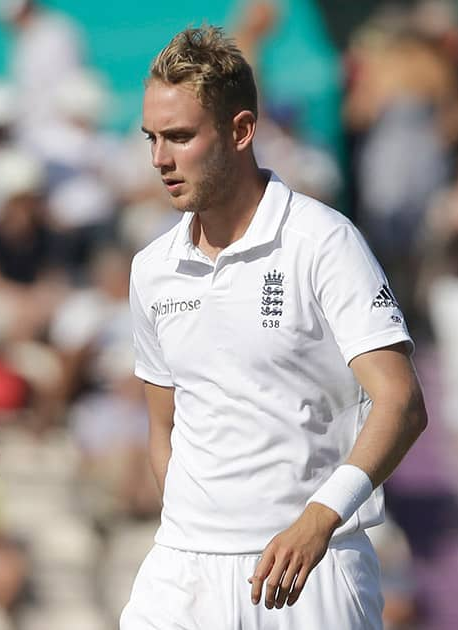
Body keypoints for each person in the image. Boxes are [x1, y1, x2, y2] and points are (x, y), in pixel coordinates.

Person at [122, 26, 427, 630]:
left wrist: (320, 518)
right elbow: (165, 425)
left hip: (309, 566)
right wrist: (195, 527)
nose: (160, 158)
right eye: (152, 138)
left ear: (241, 131)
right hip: (182, 571)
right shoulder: (150, 268)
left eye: (180, 137)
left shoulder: (324, 240)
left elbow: (402, 403)